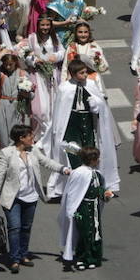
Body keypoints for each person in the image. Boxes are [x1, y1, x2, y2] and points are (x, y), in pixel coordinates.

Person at [0, 123, 70, 273]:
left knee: (26, 228)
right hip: (13, 198)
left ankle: (24, 254)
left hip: (31, 197)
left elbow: (47, 162)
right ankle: (14, 259)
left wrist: (63, 169)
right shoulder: (6, 153)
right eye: (30, 136)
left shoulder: (33, 151)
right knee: (14, 228)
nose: (33, 138)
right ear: (21, 138)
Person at [41, 59, 121, 197]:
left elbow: (101, 103)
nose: (85, 75)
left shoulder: (90, 84)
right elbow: (60, 112)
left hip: (88, 124)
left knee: (90, 153)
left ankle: (93, 184)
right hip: (72, 124)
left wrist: (95, 103)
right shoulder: (64, 88)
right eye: (82, 73)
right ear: (73, 74)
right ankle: (74, 185)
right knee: (73, 154)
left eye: (86, 72)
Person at [57, 147, 113, 271]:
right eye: (97, 158)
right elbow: (72, 193)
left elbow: (99, 189)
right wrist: (71, 211)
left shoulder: (97, 174)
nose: (99, 160)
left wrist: (105, 194)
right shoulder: (79, 173)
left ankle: (93, 258)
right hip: (81, 209)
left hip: (94, 209)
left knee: (95, 233)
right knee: (83, 234)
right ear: (92, 160)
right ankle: (82, 258)